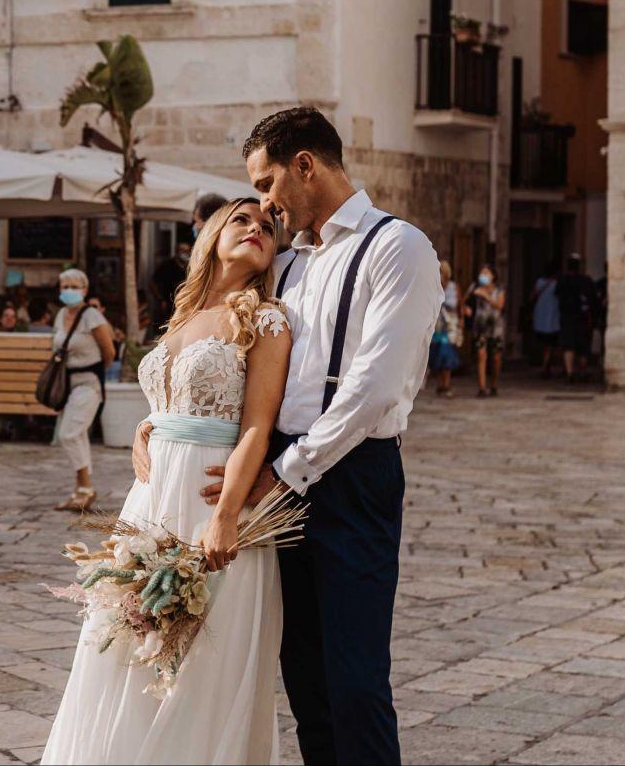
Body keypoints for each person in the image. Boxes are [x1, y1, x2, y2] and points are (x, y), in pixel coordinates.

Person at [206, 107, 441, 765]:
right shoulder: (286, 265)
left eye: (267, 183)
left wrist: (284, 475)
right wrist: (155, 424)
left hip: (351, 475)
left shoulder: (397, 246)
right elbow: (226, 355)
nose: (263, 203)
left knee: (355, 682)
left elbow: (376, 388)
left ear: (305, 165)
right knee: (305, 678)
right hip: (278, 471)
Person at [43, 199, 290, 764]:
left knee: (203, 660)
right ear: (211, 235)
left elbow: (258, 423)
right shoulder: (183, 314)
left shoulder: (266, 318)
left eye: (267, 227)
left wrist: (226, 515)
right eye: (242, 220)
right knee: (123, 643)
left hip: (211, 499)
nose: (257, 229)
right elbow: (172, 399)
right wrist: (147, 426)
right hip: (151, 500)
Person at [49, 269, 115, 513]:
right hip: (67, 383)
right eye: (65, 286)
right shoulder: (61, 314)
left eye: (74, 286)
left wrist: (95, 372)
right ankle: (81, 490)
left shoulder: (92, 316)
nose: (69, 291)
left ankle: (86, 487)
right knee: (77, 435)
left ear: (85, 290)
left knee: (69, 433)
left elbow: (109, 352)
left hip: (88, 382)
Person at [462, 265, 505, 397]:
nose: (483, 276)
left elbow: (499, 306)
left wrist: (487, 297)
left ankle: (493, 384)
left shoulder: (499, 290)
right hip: (480, 326)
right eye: (482, 273)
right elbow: (464, 301)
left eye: (486, 273)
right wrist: (467, 309)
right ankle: (482, 387)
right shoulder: (475, 287)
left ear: (493, 276)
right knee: (481, 355)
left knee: (496, 357)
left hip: (496, 328)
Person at [557, 254, 597, 383]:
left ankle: (570, 373)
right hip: (582, 317)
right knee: (583, 346)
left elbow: (558, 297)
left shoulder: (562, 280)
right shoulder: (586, 280)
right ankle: (583, 371)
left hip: (567, 316)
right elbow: (592, 299)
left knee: (568, 345)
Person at [428, 260, 462, 397]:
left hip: (450, 325)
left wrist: (462, 320)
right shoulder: (432, 287)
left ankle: (446, 384)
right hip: (437, 324)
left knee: (446, 354)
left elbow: (459, 304)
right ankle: (440, 384)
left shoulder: (454, 287)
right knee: (436, 354)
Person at [530, 266, 561, 377]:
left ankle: (544, 365)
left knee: (543, 343)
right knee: (550, 344)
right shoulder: (556, 283)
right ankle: (545, 366)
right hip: (552, 317)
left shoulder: (539, 282)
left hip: (540, 316)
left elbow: (533, 295)